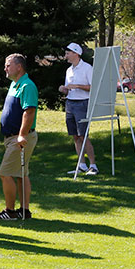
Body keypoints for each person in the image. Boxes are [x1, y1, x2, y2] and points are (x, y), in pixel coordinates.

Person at [0, 53, 38, 221]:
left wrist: (22, 135)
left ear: (19, 67)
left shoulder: (27, 85)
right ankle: (24, 211)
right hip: (12, 137)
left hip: (19, 138)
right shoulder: (15, 85)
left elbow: (29, 111)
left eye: (8, 65)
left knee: (5, 173)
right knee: (21, 174)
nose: (5, 68)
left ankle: (9, 211)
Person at [61, 42, 98, 175]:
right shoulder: (69, 70)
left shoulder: (87, 68)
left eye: (68, 53)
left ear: (76, 54)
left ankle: (93, 165)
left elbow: (93, 87)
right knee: (75, 136)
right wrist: (63, 89)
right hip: (70, 103)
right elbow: (68, 89)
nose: (66, 55)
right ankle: (81, 164)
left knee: (83, 135)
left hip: (83, 104)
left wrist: (77, 86)